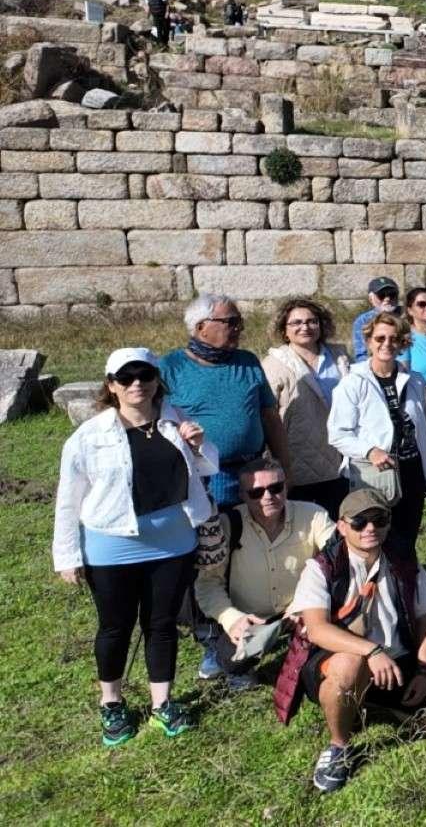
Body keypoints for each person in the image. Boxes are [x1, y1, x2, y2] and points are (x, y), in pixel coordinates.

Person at [54, 347, 216, 745]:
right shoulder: (89, 436)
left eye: (144, 375)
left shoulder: (173, 421)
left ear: (157, 380)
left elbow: (208, 466)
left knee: (161, 624)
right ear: (111, 386)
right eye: (125, 378)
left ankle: (162, 703)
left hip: (172, 542)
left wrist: (198, 446)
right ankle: (112, 703)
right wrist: (67, 556)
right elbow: (68, 500)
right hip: (112, 545)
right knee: (115, 626)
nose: (136, 384)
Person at [289, 489, 426, 793]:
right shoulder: (321, 567)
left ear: (389, 523)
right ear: (341, 526)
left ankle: (378, 703)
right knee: (348, 667)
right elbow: (317, 630)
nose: (370, 528)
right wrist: (372, 650)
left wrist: (425, 670)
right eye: (359, 522)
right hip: (340, 659)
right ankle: (339, 747)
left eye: (379, 519)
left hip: (398, 660)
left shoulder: (402, 559)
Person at [192, 461, 334, 688]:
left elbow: (337, 560)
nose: (268, 496)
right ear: (242, 495)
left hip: (300, 611)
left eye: (276, 488)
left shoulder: (313, 515)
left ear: (286, 486)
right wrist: (232, 619)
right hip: (251, 619)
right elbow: (208, 584)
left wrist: (308, 604)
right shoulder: (229, 525)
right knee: (232, 662)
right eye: (256, 492)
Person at [158, 294, 289, 509]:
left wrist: (285, 467)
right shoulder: (171, 367)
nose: (239, 328)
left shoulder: (248, 361)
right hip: (207, 476)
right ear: (202, 327)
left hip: (256, 473)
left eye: (240, 322)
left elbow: (270, 417)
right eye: (231, 322)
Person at [327, 312, 426, 560]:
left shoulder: (414, 380)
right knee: (376, 542)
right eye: (380, 338)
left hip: (411, 470)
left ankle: (407, 592)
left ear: (402, 342)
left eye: (393, 338)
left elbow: (423, 430)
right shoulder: (353, 382)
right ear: (369, 342)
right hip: (375, 475)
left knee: (407, 540)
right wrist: (369, 451)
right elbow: (337, 434)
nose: (386, 344)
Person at [262, 298, 350, 515]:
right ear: (284, 330)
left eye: (312, 321)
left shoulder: (339, 357)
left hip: (342, 460)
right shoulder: (273, 366)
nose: (305, 327)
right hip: (298, 463)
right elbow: (267, 415)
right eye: (296, 323)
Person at [352, 277, 401, 362]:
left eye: (392, 294)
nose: (387, 299)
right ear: (371, 299)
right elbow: (361, 354)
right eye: (381, 295)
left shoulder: (408, 315)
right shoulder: (362, 321)